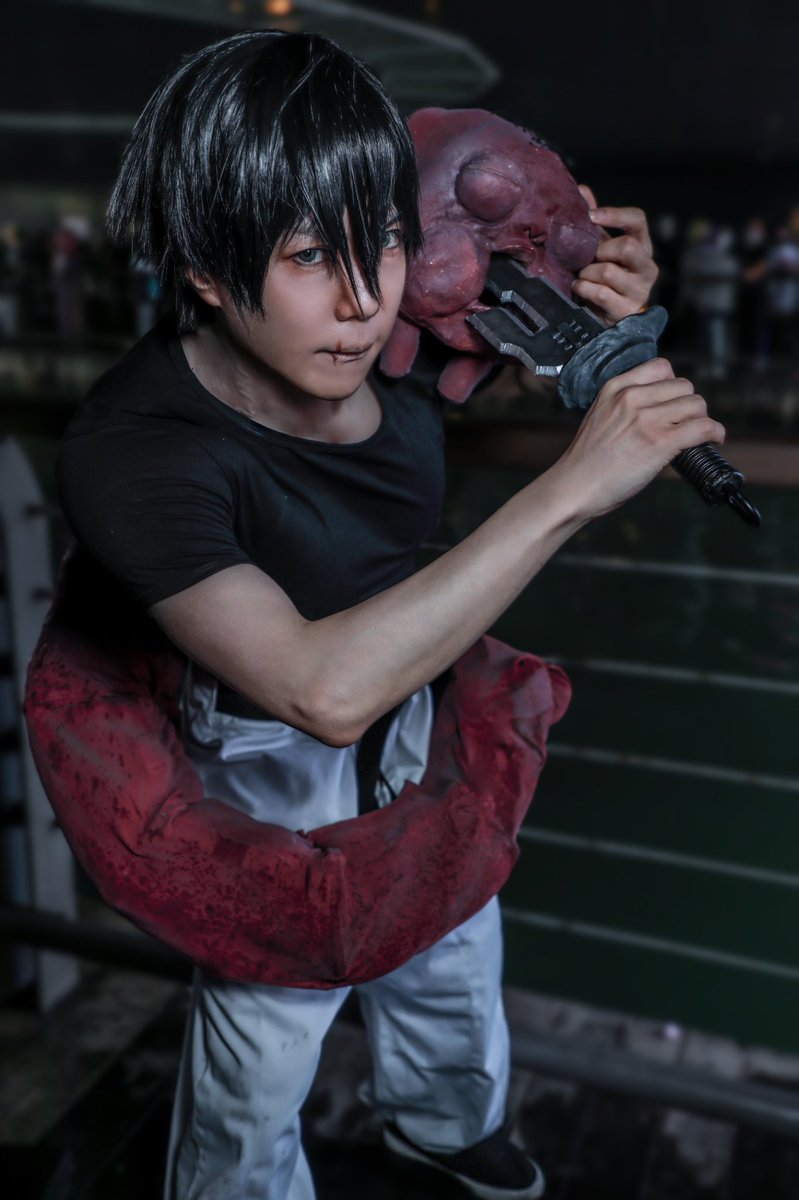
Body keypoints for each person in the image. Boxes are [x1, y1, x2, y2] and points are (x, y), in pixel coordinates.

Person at [55, 30, 723, 1200]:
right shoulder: (139, 450)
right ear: (206, 270)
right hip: (256, 760)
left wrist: (601, 296)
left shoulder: (391, 344)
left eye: (384, 242)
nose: (365, 303)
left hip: (412, 700)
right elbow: (318, 691)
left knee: (456, 936)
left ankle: (443, 1123)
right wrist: (572, 488)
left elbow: (515, 316)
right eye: (312, 256)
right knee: (269, 1025)